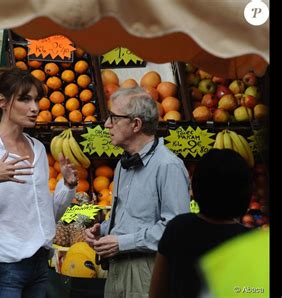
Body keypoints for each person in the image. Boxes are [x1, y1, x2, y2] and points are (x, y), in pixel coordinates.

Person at [0, 66, 78, 298]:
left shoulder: (38, 149)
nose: (35, 108)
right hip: (5, 265)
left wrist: (67, 186)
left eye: (36, 100)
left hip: (40, 264)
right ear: (3, 101)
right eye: (25, 99)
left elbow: (46, 217)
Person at [85, 87, 190, 297]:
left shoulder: (168, 166)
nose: (107, 124)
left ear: (136, 124)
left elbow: (175, 231)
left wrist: (122, 242)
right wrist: (104, 230)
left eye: (113, 118)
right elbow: (133, 217)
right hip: (118, 269)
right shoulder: (123, 164)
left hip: (147, 271)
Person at [149, 149, 252, 298]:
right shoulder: (251, 241)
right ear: (246, 193)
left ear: (195, 187)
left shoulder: (178, 228)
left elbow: (157, 292)